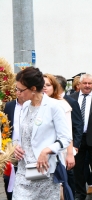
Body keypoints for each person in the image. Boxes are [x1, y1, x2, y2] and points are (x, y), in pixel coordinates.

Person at [13, 67, 72, 199]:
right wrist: (16, 146)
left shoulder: (54, 106)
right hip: (24, 171)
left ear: (33, 89)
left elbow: (65, 138)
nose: (17, 93)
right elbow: (24, 136)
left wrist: (47, 150)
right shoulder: (26, 107)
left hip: (44, 171)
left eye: (21, 90)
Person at [55, 75, 84, 195]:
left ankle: (72, 194)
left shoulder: (71, 102)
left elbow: (77, 125)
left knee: (69, 173)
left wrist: (75, 145)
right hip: (54, 146)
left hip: (68, 145)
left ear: (58, 87)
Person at [3, 95, 25, 200]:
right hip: (11, 149)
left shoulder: (32, 105)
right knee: (8, 179)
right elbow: (5, 126)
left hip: (26, 150)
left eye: (21, 89)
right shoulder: (9, 105)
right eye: (17, 89)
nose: (19, 92)